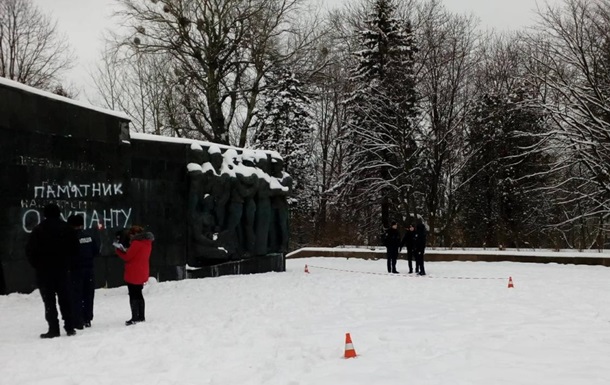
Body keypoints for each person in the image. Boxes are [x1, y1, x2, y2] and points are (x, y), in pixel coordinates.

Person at [26, 204, 79, 338]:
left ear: (44, 214)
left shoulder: (38, 230)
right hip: (63, 270)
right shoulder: (68, 229)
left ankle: (53, 328)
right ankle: (69, 326)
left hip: (45, 272)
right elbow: (75, 250)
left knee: (49, 301)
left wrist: (38, 265)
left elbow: (30, 251)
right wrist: (69, 265)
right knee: (66, 299)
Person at [114, 225, 154, 326]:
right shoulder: (147, 243)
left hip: (134, 272)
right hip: (142, 270)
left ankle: (135, 317)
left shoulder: (136, 243)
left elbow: (127, 257)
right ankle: (141, 316)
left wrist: (118, 250)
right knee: (139, 294)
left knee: (133, 295)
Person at [67, 214, 100, 329]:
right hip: (89, 269)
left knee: (76, 295)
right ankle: (87, 318)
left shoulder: (70, 238)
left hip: (75, 270)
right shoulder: (89, 236)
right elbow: (96, 251)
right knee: (88, 295)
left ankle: (78, 319)